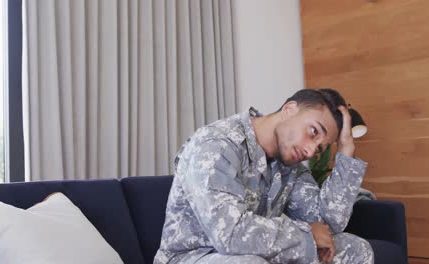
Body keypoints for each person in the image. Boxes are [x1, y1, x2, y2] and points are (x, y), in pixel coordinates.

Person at [154, 89, 374, 264]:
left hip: (255, 253)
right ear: (289, 108)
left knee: (355, 249)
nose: (309, 151)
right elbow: (230, 235)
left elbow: (327, 225)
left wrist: (346, 152)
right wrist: (306, 235)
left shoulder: (290, 163)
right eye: (313, 132)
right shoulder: (217, 143)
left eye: (319, 149)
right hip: (194, 258)